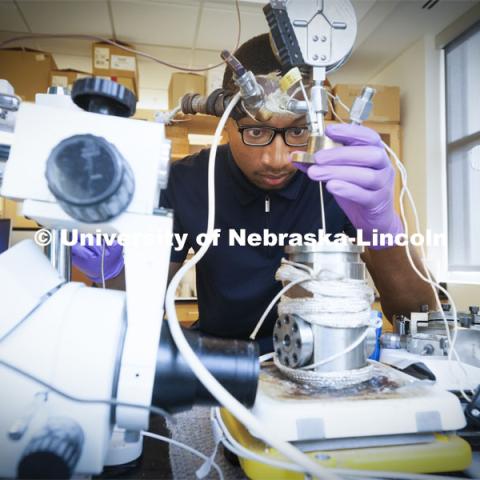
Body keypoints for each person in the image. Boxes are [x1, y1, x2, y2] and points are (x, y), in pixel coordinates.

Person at [73, 34, 435, 353]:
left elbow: (420, 319)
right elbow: (140, 308)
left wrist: (384, 228)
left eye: (297, 132)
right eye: (256, 132)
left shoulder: (338, 180)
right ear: (227, 120)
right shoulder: (188, 181)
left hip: (323, 363)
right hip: (218, 364)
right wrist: (110, 271)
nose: (277, 159)